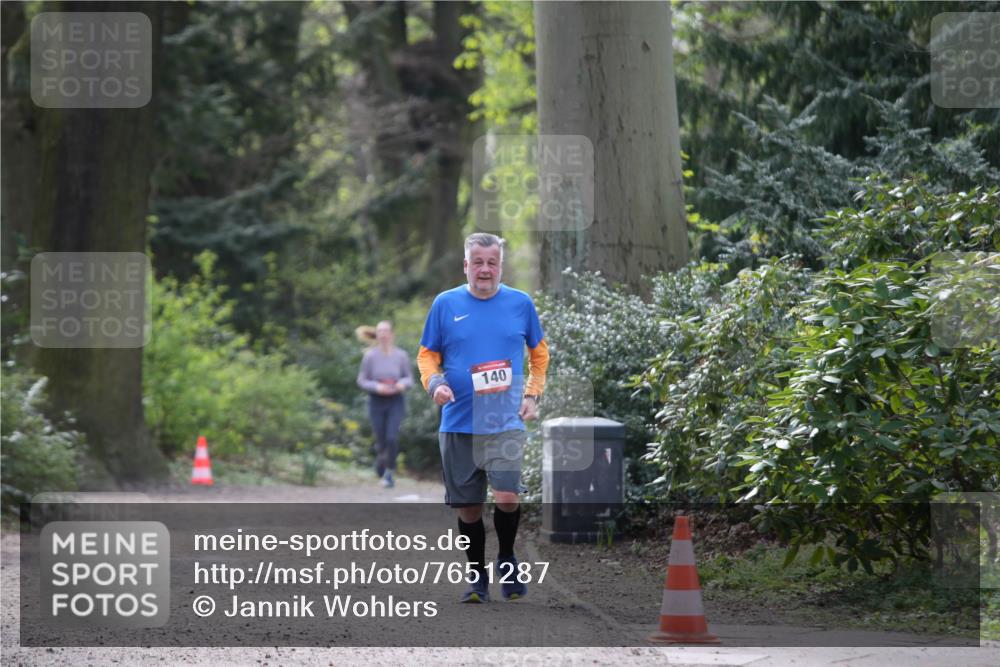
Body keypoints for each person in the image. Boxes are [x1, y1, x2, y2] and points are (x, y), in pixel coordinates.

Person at [417, 232, 549, 603]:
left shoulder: (520, 304)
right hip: (458, 421)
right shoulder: (446, 304)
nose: (485, 269)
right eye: (478, 262)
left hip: (504, 421)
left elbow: (539, 355)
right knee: (469, 507)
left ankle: (507, 561)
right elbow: (427, 354)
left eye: (492, 262)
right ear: (466, 265)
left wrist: (532, 394)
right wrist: (435, 384)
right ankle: (477, 576)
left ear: (501, 266)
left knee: (507, 495)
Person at [357, 320, 413, 488]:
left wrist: (401, 384)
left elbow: (409, 378)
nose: (383, 334)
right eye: (379, 331)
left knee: (392, 437)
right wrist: (377, 387)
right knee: (381, 439)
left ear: (391, 334)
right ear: (377, 334)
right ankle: (381, 460)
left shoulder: (401, 355)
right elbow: (362, 380)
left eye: (385, 331)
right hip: (377, 400)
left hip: (396, 400)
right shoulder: (370, 356)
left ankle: (389, 472)